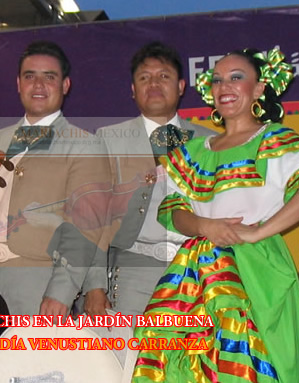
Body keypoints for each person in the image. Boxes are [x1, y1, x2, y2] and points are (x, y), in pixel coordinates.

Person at [132, 48, 299, 382]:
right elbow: (172, 210)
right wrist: (204, 226)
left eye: (237, 77)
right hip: (195, 270)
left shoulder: (276, 140)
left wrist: (256, 233)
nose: (225, 86)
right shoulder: (191, 152)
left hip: (257, 268)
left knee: (258, 360)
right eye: (218, 80)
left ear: (259, 88)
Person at [0, 40, 112, 317]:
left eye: (49, 77)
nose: (38, 85)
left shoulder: (85, 145)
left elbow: (85, 228)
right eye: (29, 76)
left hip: (37, 283)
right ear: (18, 84)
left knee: (33, 361)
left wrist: (61, 291)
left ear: (65, 85)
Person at [81, 41, 215, 319]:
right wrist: (95, 286)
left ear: (180, 86)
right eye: (144, 78)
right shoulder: (107, 140)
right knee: (131, 358)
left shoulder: (209, 142)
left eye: (163, 76)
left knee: (191, 359)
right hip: (131, 272)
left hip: (195, 270)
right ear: (133, 90)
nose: (154, 83)